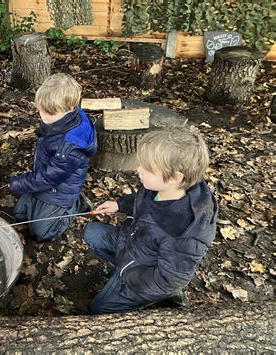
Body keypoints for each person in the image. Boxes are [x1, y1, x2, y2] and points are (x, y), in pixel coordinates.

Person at [84, 126, 218, 314]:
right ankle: (121, 272)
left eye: (147, 168)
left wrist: (127, 275)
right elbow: (143, 202)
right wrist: (119, 205)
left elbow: (168, 279)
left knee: (99, 308)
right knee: (92, 233)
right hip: (135, 244)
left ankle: (160, 297)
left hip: (141, 275)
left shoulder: (182, 233)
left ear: (174, 177)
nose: (138, 169)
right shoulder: (161, 187)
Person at [9, 73, 97, 242]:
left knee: (40, 233)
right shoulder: (62, 119)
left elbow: (49, 177)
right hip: (47, 180)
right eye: (41, 110)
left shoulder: (69, 147)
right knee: (19, 214)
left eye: (49, 113)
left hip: (59, 190)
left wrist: (18, 183)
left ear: (70, 108)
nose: (43, 117)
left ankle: (75, 205)